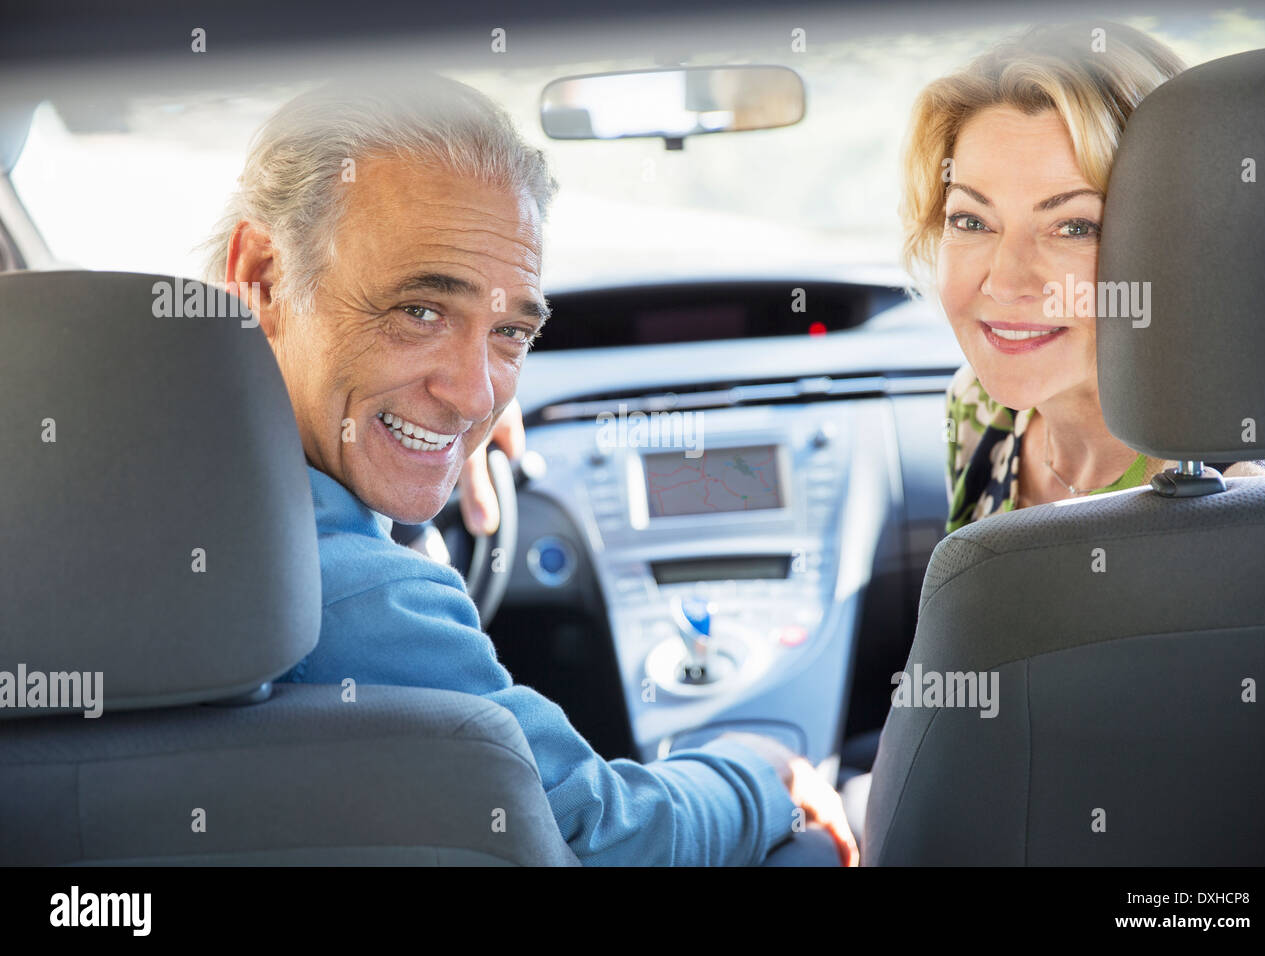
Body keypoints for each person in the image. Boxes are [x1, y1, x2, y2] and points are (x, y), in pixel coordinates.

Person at [203, 78, 858, 866]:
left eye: (511, 332)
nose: (475, 393)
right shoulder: (355, 592)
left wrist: (413, 417)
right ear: (264, 276)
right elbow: (598, 836)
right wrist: (767, 772)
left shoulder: (107, 475)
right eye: (420, 310)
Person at [898, 21, 1265, 534]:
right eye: (971, 220)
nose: (1006, 284)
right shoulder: (977, 406)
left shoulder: (1236, 499)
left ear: (1184, 247)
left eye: (1075, 227)